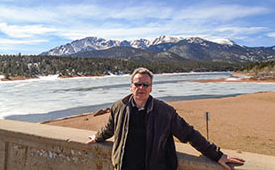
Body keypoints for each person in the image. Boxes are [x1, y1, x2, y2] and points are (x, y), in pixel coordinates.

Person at [86, 67, 245, 170]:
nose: (142, 88)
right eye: (138, 84)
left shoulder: (164, 112)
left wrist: (217, 155)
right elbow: (110, 128)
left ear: (151, 88)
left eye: (146, 85)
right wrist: (97, 137)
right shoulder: (119, 107)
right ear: (131, 86)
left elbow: (189, 134)